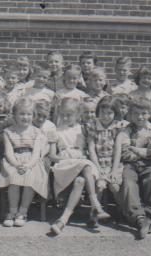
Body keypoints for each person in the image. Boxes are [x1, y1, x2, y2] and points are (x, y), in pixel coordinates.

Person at [49, 98, 110, 235]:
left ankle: (62, 220)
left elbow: (90, 148)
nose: (65, 117)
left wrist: (80, 157)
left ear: (77, 115)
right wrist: (66, 157)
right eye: (63, 114)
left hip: (81, 163)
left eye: (69, 115)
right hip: (64, 165)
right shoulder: (56, 130)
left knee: (80, 180)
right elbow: (52, 156)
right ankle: (95, 204)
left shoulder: (83, 129)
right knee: (86, 165)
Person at [115, 97, 151, 239]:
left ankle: (149, 214)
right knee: (128, 182)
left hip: (148, 165)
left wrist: (138, 149)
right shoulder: (126, 130)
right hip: (130, 165)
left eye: (143, 113)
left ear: (149, 113)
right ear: (131, 115)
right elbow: (125, 153)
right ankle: (138, 217)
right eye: (136, 114)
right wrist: (145, 152)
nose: (140, 117)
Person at [0, 98, 48, 227]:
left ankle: (22, 211)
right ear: (14, 115)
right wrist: (16, 164)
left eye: (29, 114)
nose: (25, 117)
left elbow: (37, 153)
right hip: (13, 160)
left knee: (30, 177)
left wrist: (28, 165)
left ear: (33, 115)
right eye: (22, 114)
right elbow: (8, 152)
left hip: (31, 161)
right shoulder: (8, 132)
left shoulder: (37, 132)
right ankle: (12, 211)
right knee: (13, 177)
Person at [86, 96, 124, 211]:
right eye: (103, 112)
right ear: (98, 111)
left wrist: (113, 170)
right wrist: (97, 168)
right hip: (97, 163)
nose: (106, 116)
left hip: (113, 164)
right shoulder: (92, 125)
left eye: (110, 113)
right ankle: (95, 213)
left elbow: (118, 149)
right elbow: (91, 149)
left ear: (115, 114)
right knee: (100, 185)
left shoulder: (118, 127)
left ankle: (124, 210)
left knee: (114, 186)